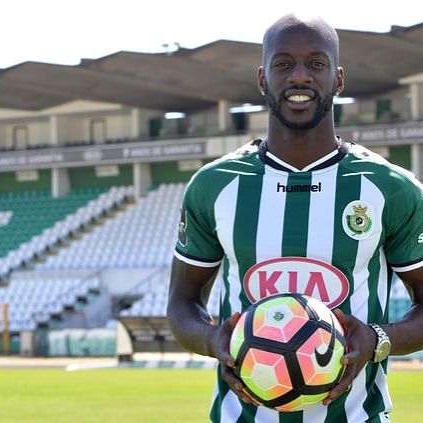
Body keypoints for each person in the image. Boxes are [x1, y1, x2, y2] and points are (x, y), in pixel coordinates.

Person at [167, 14, 423, 422]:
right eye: (283, 64)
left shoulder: (390, 189)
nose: (299, 77)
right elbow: (182, 305)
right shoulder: (215, 185)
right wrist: (214, 338)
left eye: (316, 64)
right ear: (262, 79)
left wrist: (377, 340)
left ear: (338, 79)